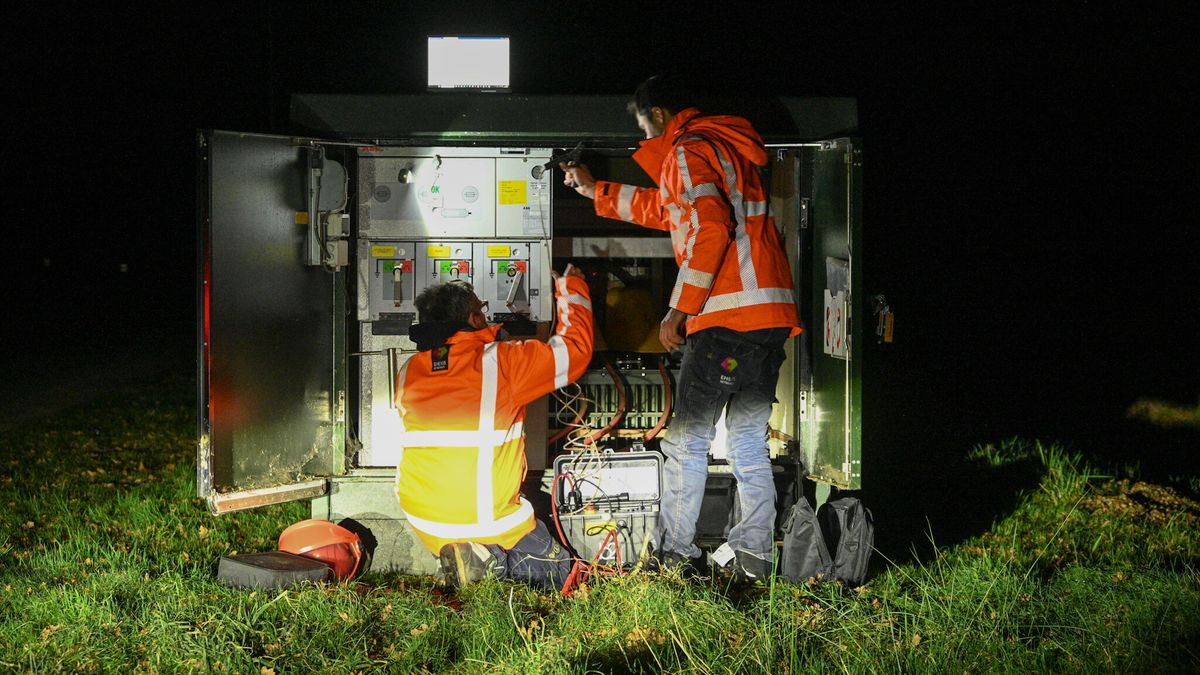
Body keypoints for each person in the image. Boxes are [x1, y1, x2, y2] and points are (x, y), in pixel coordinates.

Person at [560, 74, 801, 582]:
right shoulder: (723, 148)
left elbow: (709, 227)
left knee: (688, 441)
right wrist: (594, 190)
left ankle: (674, 555)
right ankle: (754, 556)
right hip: (768, 320)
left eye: (642, 121)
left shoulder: (689, 150)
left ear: (662, 114)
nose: (642, 133)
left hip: (726, 321)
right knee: (747, 441)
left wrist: (678, 310)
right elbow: (669, 211)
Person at [394, 266, 593, 589]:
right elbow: (575, 353)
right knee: (557, 569)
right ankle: (488, 562)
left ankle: (469, 558)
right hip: (483, 518)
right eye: (483, 311)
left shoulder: (408, 370)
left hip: (425, 519)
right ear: (473, 319)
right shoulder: (500, 362)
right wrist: (573, 287)